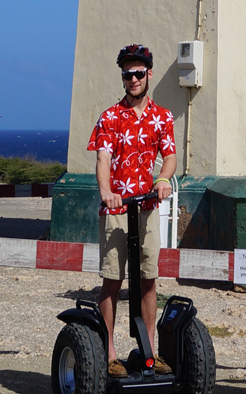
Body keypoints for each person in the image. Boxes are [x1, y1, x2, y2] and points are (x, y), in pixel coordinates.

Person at [86, 44, 177, 378]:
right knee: (113, 280)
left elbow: (168, 155)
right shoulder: (110, 117)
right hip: (117, 208)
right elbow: (103, 158)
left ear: (149, 74)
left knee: (149, 279)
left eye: (139, 73)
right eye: (127, 74)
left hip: (147, 206)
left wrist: (164, 178)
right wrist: (107, 192)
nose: (133, 79)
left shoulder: (162, 116)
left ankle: (148, 349)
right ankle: (109, 353)